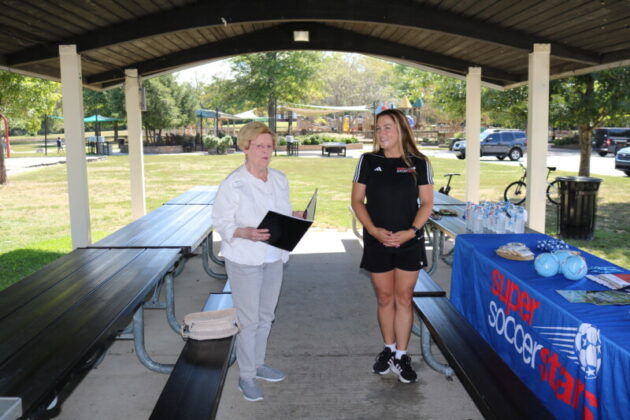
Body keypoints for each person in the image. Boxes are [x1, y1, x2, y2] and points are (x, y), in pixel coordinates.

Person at [212, 121, 304, 402]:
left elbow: (281, 214)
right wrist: (245, 232)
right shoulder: (234, 183)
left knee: (266, 316)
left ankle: (259, 364)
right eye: (260, 146)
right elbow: (220, 222)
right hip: (244, 259)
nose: (266, 151)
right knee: (249, 320)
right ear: (246, 147)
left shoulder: (279, 178)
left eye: (270, 146)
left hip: (274, 256)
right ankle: (246, 377)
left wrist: (296, 217)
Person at [351, 109, 434, 383]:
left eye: (387, 127)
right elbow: (356, 201)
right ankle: (388, 348)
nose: (381, 133)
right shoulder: (367, 161)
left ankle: (401, 354)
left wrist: (410, 232)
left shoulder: (419, 163)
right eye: (378, 128)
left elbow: (427, 204)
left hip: (409, 242)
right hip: (378, 242)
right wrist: (374, 231)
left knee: (404, 298)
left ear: (401, 130)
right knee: (385, 298)